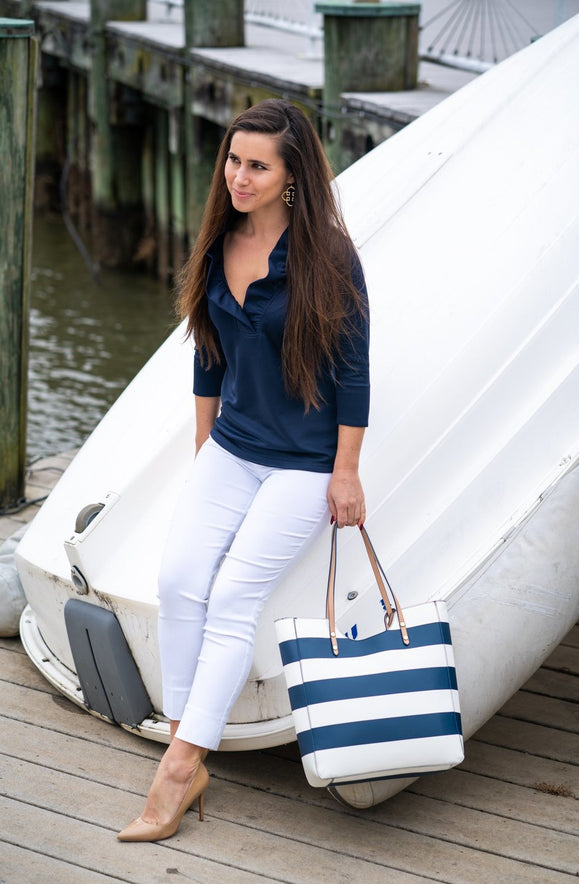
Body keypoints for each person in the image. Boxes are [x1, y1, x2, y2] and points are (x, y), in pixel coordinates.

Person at [117, 99, 370, 842]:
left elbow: (353, 372)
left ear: (293, 176)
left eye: (258, 165)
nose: (239, 176)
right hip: (231, 449)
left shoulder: (329, 255)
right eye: (234, 159)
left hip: (303, 462)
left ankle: (178, 766)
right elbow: (208, 349)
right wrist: (206, 451)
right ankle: (183, 740)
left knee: (230, 597)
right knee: (176, 582)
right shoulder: (219, 237)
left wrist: (346, 473)